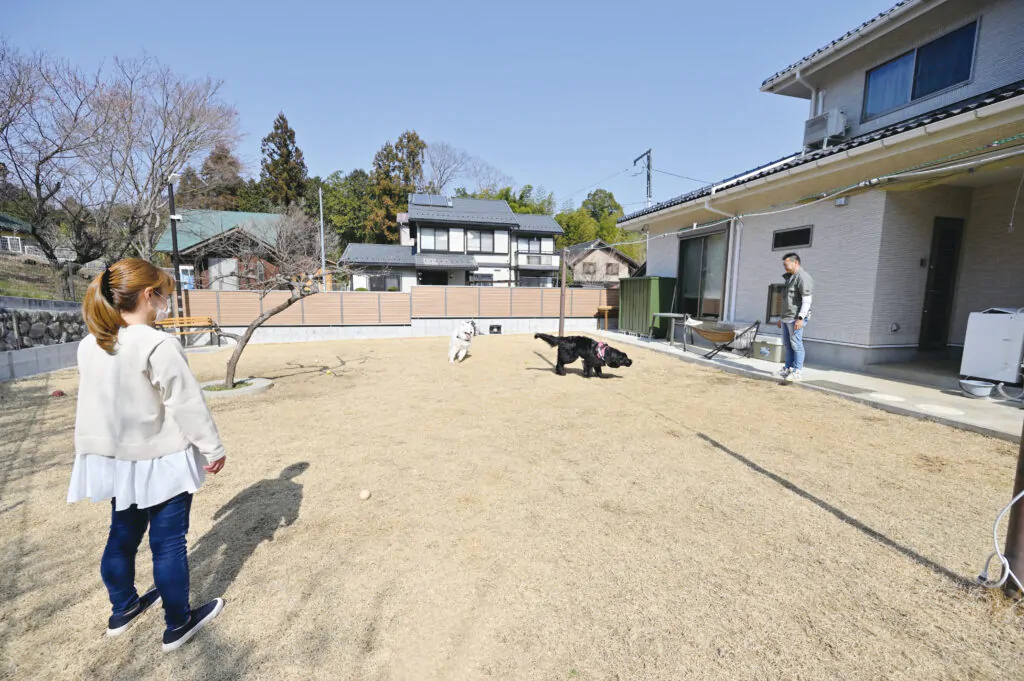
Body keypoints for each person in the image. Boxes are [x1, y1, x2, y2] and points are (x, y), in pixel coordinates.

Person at [68, 258, 228, 652]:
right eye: (165, 295)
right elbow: (185, 403)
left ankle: (122, 607)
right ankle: (178, 623)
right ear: (147, 295)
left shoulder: (91, 343)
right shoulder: (157, 343)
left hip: (116, 459)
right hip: (161, 457)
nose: (166, 303)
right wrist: (213, 447)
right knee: (168, 542)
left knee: (122, 535)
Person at [776, 252, 813, 382]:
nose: (784, 266)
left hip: (796, 318)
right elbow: (787, 301)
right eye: (784, 264)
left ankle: (797, 371)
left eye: (786, 264)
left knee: (796, 344)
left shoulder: (803, 277)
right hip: (787, 317)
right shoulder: (790, 278)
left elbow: (807, 300)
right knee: (787, 344)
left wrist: (801, 318)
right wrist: (781, 318)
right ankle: (788, 368)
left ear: (795, 262)